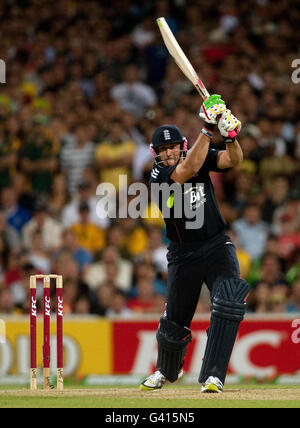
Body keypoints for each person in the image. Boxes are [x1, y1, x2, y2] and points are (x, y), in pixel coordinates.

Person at [140, 94, 249, 393]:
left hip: (215, 246)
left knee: (229, 300)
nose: (168, 152)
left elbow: (233, 159)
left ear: (182, 146)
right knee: (175, 322)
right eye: (162, 149)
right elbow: (186, 171)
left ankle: (213, 376)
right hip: (182, 254)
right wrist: (206, 126)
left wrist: (230, 136)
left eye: (172, 146)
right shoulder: (157, 176)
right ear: (155, 153)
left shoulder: (199, 155)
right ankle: (164, 371)